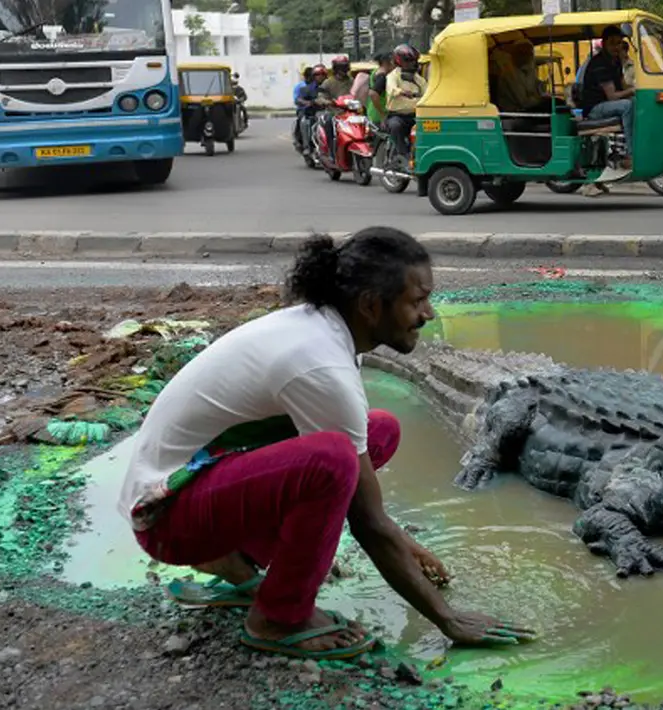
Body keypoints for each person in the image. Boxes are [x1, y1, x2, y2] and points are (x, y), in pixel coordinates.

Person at [121, 228, 537, 660]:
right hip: (165, 519)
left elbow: (367, 502)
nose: (428, 313)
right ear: (371, 305)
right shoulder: (319, 363)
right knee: (335, 459)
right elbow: (367, 520)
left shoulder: (330, 330)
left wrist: (401, 542)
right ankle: (278, 618)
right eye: (417, 301)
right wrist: (447, 618)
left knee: (377, 431)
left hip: (198, 483)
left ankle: (234, 558)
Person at [580, 25, 635, 170]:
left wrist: (640, 90)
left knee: (638, 102)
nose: (616, 47)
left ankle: (634, 146)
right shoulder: (600, 64)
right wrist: (633, 91)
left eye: (618, 43)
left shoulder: (615, 61)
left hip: (606, 104)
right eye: (612, 43)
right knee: (628, 106)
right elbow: (612, 96)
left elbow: (623, 86)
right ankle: (630, 155)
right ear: (604, 43)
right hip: (594, 108)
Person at [384, 44, 427, 159]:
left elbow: (427, 93)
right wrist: (401, 92)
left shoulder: (419, 79)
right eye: (408, 60)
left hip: (416, 116)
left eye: (413, 60)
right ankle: (402, 155)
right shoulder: (393, 76)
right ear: (399, 61)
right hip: (397, 116)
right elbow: (391, 89)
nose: (412, 63)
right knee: (395, 126)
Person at [367, 51, 396, 127]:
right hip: (380, 117)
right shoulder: (382, 76)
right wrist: (382, 115)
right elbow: (373, 94)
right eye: (394, 62)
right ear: (385, 62)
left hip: (373, 113)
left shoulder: (375, 72)